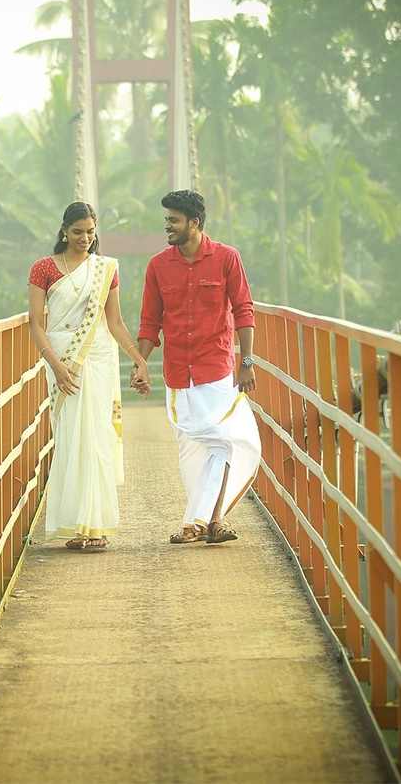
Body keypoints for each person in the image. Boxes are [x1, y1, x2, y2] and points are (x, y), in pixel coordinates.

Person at [130, 190, 261, 545]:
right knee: (191, 452)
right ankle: (208, 521)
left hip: (216, 369)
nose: (167, 226)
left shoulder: (226, 258)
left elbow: (244, 310)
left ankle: (206, 521)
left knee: (221, 441)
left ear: (194, 222)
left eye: (173, 220)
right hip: (178, 373)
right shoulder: (158, 265)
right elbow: (150, 322)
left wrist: (246, 362)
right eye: (166, 220)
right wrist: (140, 364)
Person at [29, 201, 150, 551]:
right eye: (78, 231)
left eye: (91, 231)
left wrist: (138, 360)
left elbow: (115, 322)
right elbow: (35, 323)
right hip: (61, 359)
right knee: (69, 437)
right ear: (64, 231)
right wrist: (55, 363)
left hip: (96, 358)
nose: (85, 238)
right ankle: (73, 524)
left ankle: (94, 526)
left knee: (96, 436)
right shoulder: (43, 268)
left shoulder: (105, 269)